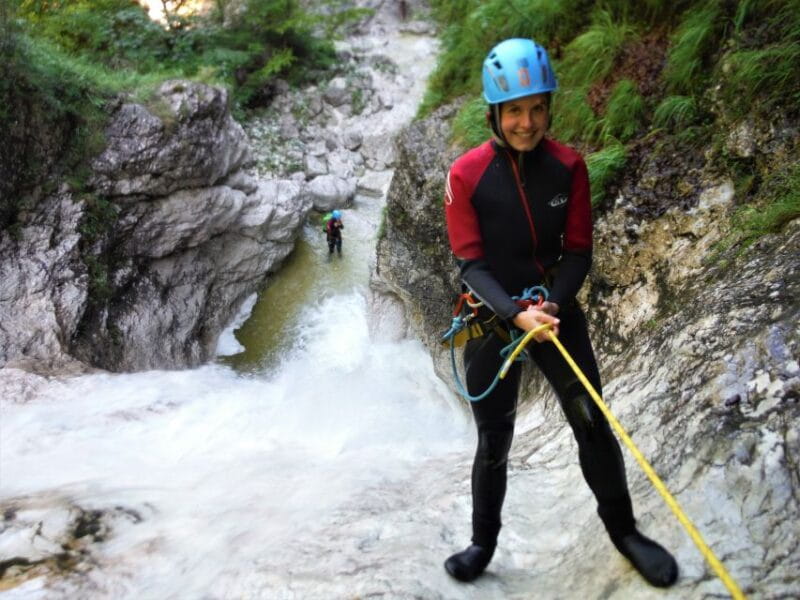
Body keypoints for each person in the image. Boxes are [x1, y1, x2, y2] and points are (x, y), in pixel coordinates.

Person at [442, 38, 678, 588]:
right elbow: (471, 265)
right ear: (495, 114)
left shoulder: (569, 167)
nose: (527, 122)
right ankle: (482, 543)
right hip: (492, 321)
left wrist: (551, 305)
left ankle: (626, 535)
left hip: (554, 313)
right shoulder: (466, 175)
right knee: (494, 440)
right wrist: (515, 314)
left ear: (549, 106)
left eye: (537, 107)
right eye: (515, 110)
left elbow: (578, 253)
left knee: (592, 425)